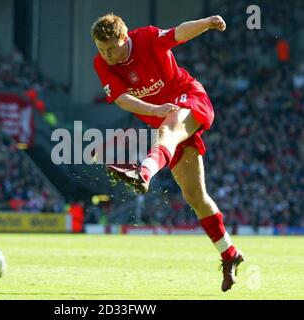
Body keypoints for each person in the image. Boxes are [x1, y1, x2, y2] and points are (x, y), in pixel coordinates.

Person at [91, 13, 244, 292]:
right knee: (195, 196)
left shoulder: (146, 38)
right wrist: (155, 110)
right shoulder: (101, 63)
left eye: (111, 48)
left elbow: (178, 33)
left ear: (124, 38)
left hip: (189, 97)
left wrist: (208, 22)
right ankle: (229, 253)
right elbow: (123, 99)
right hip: (166, 118)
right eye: (102, 49)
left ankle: (144, 171)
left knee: (167, 131)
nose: (107, 55)